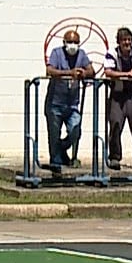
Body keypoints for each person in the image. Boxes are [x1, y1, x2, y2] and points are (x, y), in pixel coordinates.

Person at [100, 27, 132, 169]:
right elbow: (108, 72)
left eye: (129, 40)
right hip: (117, 94)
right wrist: (125, 74)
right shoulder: (112, 54)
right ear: (119, 42)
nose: (127, 43)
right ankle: (114, 157)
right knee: (115, 124)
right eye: (124, 40)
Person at [44, 29, 94, 169]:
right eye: (70, 42)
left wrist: (84, 72)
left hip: (72, 104)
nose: (73, 45)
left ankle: (63, 146)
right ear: (64, 42)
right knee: (54, 135)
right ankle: (57, 161)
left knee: (75, 130)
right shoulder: (56, 53)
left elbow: (92, 71)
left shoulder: (81, 54)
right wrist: (69, 73)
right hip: (55, 103)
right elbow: (50, 70)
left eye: (76, 42)